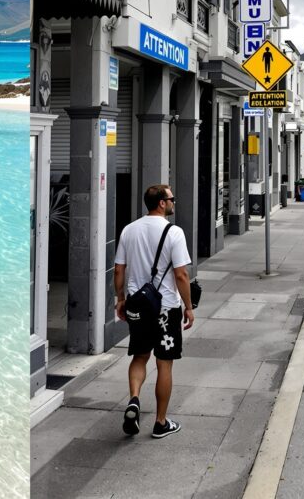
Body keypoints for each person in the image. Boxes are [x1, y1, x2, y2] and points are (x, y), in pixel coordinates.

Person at [114, 184, 193, 440]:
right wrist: (189, 306)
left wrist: (120, 299)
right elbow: (181, 274)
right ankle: (160, 423)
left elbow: (118, 270)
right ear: (161, 203)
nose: (173, 203)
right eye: (171, 199)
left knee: (139, 356)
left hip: (139, 306)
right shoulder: (174, 232)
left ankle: (134, 399)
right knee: (164, 363)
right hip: (166, 308)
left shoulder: (129, 230)